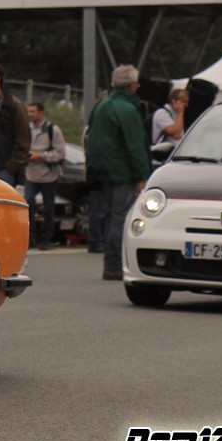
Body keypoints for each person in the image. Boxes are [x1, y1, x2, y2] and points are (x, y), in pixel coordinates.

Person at [86, 64, 151, 281]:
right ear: (133, 86)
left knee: (109, 216)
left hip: (101, 171)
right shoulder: (129, 110)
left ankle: (110, 261)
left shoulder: (100, 106)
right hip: (121, 172)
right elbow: (135, 145)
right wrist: (142, 174)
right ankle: (114, 263)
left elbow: (90, 138)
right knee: (119, 217)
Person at [23, 102, 66, 250]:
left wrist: (41, 156)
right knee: (27, 201)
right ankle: (31, 236)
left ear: (41, 113)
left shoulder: (53, 130)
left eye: (33, 112)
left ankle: (45, 238)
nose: (30, 115)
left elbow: (60, 153)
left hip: (48, 175)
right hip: (30, 174)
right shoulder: (26, 129)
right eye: (29, 112)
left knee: (49, 208)